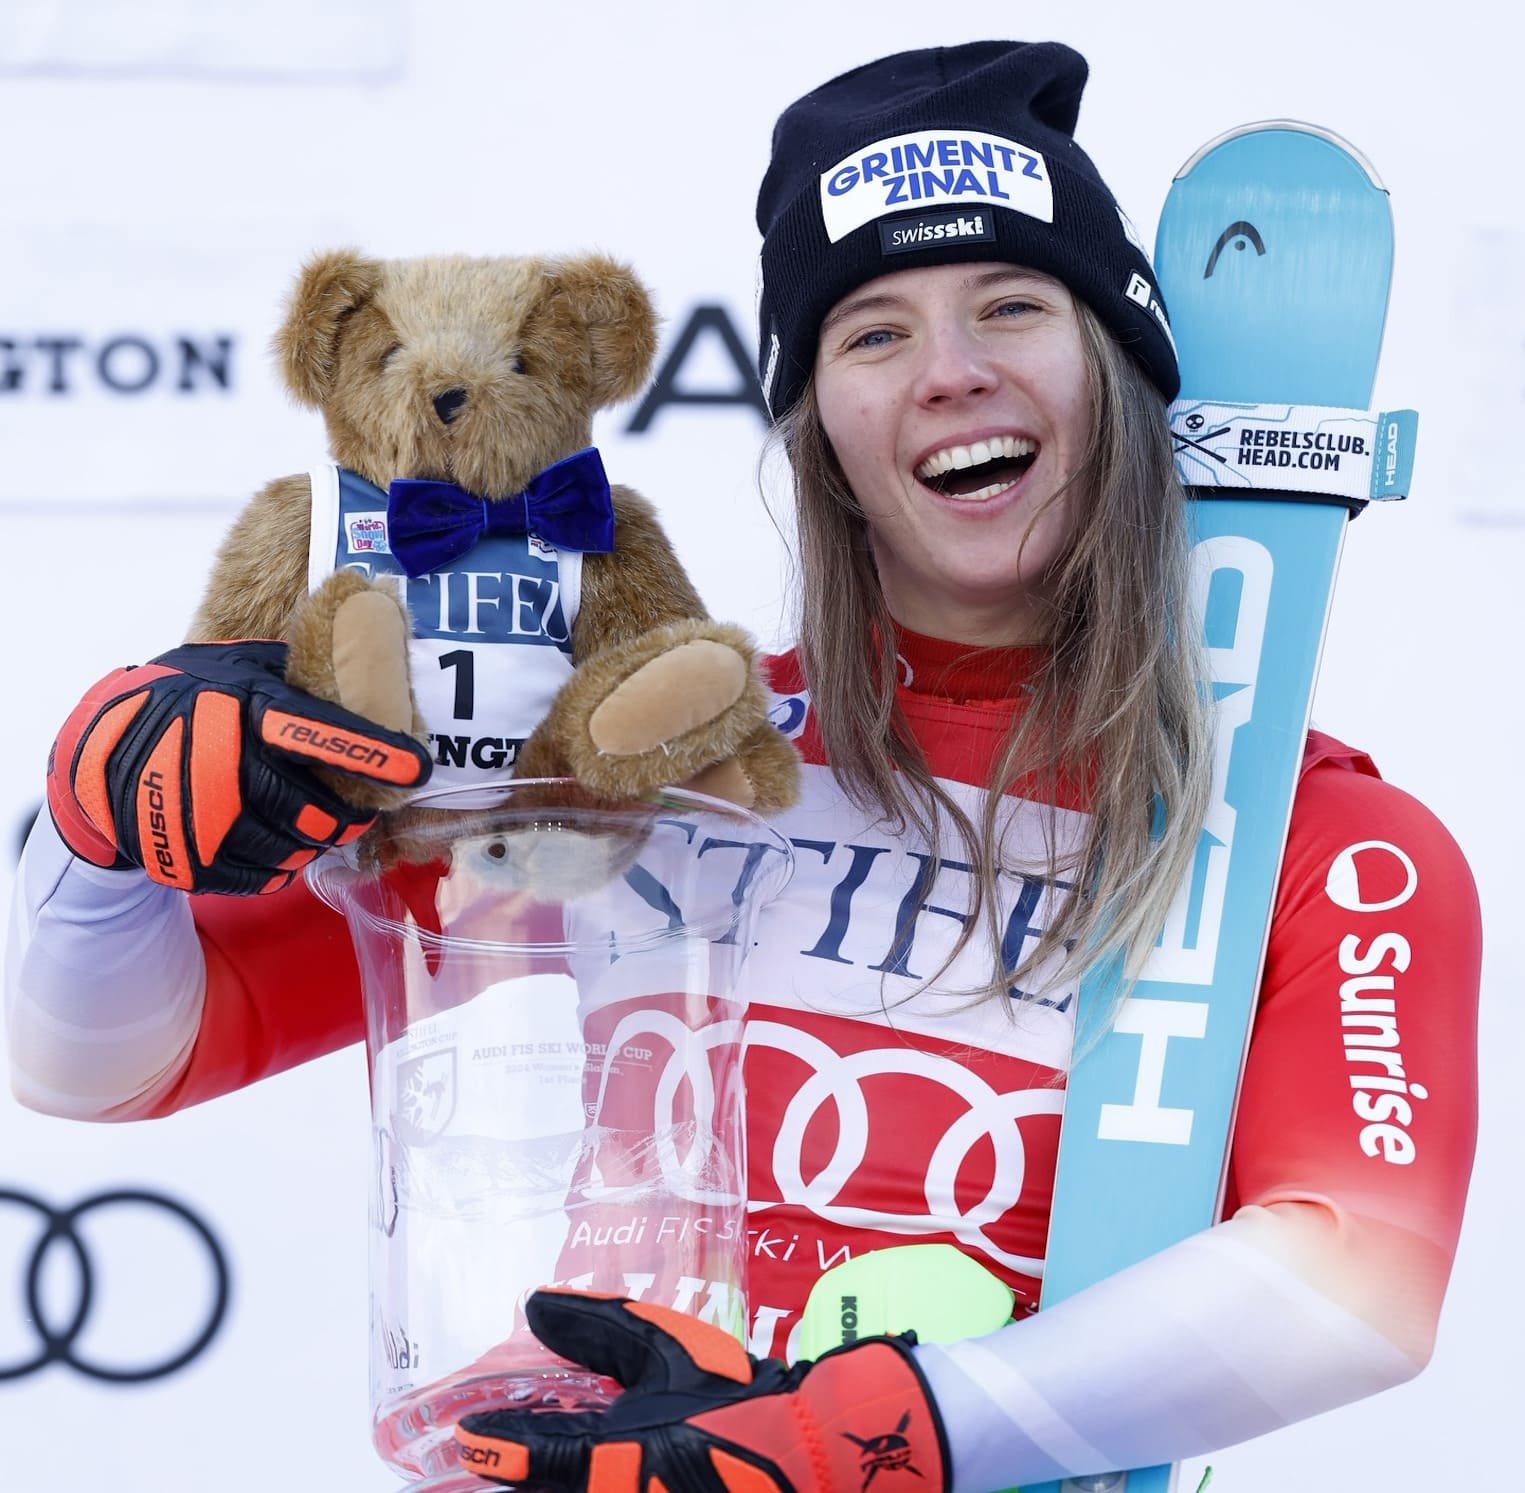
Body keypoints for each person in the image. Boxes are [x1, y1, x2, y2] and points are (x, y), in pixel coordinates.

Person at [7, 40, 1479, 1493]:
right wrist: (100, 820)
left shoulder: (1322, 844)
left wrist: (843, 1442)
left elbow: (1350, 1284)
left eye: (1013, 306)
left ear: (1117, 368)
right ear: (820, 435)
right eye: (874, 333)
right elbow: (89, 1061)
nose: (952, 373)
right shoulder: (630, 770)